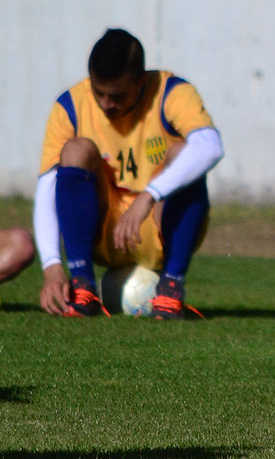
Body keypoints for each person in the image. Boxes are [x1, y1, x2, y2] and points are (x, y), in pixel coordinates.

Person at [33, 28, 223, 319]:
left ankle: (170, 291)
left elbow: (210, 147)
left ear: (141, 81)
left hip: (160, 227)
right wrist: (51, 266)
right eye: (99, 93)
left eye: (117, 96)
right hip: (102, 231)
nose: (107, 104)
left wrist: (149, 196)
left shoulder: (170, 92)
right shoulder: (70, 105)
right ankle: (82, 288)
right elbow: (47, 185)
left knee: (183, 153)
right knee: (75, 150)